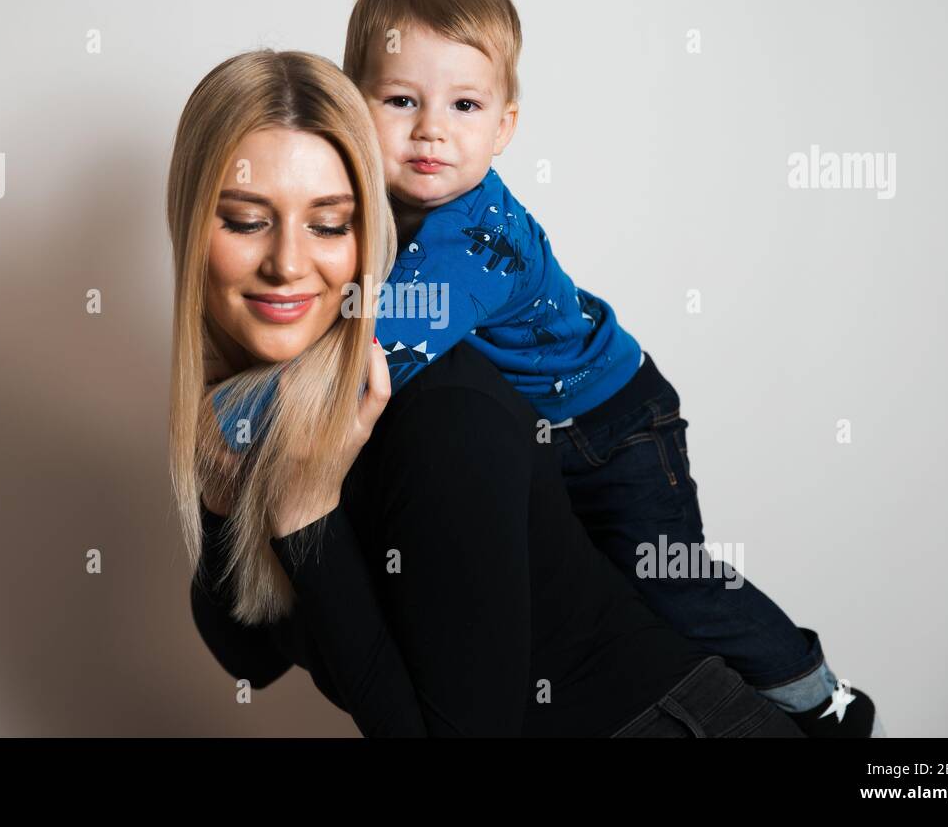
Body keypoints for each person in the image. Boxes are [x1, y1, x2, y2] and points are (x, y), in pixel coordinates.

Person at [169, 48, 808, 736]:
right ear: (189, 225)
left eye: (329, 223)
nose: (288, 264)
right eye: (244, 219)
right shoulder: (252, 409)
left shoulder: (445, 418)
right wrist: (221, 501)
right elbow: (249, 657)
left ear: (371, 235)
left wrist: (305, 519)